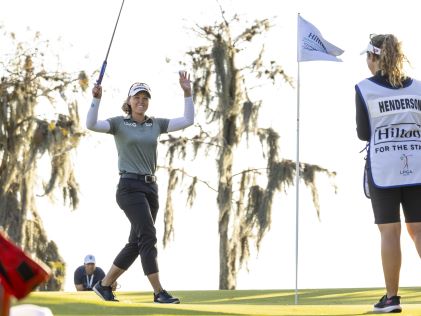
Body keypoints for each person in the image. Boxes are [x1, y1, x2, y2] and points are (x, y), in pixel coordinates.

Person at [86, 71, 194, 303]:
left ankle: (104, 285)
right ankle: (158, 292)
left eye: (145, 98)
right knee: (148, 236)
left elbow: (187, 121)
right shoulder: (119, 123)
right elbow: (92, 124)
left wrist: (187, 93)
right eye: (137, 97)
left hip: (150, 189)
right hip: (128, 187)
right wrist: (96, 99)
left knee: (136, 243)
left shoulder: (155, 124)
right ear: (129, 101)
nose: (141, 101)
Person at [355, 34, 421, 313]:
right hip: (417, 166)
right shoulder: (418, 88)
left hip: (384, 168)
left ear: (374, 57)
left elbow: (362, 133)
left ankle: (392, 299)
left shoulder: (364, 88)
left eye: (368, 58)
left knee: (389, 232)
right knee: (418, 230)